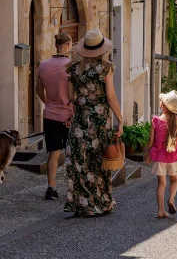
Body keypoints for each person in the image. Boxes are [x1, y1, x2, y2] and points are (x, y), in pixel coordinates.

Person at [64, 29, 124, 217]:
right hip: (99, 123)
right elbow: (111, 96)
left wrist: (83, 102)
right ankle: (102, 202)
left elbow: (70, 96)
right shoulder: (106, 68)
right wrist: (120, 119)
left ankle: (82, 204)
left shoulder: (73, 68)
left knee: (80, 162)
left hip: (81, 121)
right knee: (99, 162)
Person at [36, 32, 73, 200]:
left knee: (53, 153)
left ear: (56, 45)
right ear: (68, 45)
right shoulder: (70, 66)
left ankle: (51, 188)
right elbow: (74, 94)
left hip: (50, 114)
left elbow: (38, 89)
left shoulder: (43, 65)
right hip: (68, 115)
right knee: (72, 154)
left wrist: (48, 102)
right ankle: (73, 188)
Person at [145, 90, 177, 219]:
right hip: (173, 158)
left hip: (159, 158)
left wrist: (147, 154)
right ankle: (171, 199)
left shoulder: (156, 120)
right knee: (174, 180)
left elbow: (151, 141)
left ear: (163, 105)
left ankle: (161, 211)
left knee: (161, 184)